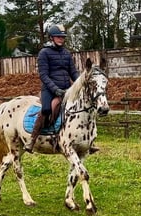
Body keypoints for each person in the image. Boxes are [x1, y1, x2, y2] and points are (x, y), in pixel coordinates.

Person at [24, 24, 99, 154]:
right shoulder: (44, 53)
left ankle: (88, 141)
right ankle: (32, 139)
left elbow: (73, 72)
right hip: (49, 89)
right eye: (58, 37)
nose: (61, 39)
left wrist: (80, 84)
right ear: (51, 38)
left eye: (63, 37)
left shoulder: (66, 53)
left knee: (83, 107)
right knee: (47, 109)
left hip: (66, 89)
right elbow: (44, 75)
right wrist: (55, 90)